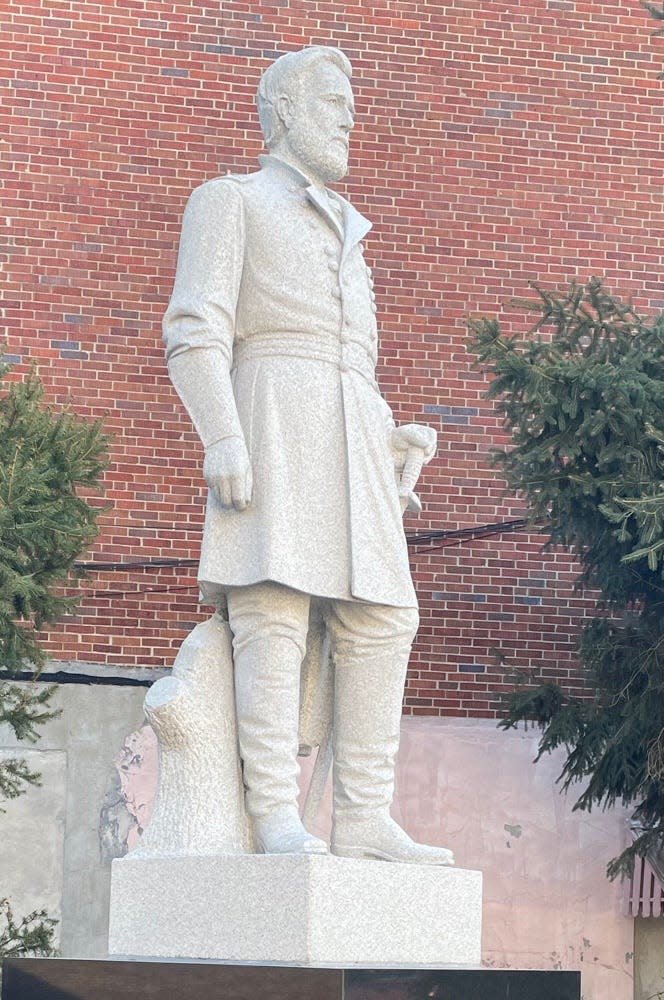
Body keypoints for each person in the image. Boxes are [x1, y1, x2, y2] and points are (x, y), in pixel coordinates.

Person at [163, 45, 453, 866]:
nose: (350, 117)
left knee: (385, 616)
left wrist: (382, 432)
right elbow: (194, 331)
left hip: (353, 432)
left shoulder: (349, 229)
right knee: (274, 608)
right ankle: (276, 816)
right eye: (333, 102)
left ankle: (362, 816)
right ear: (284, 111)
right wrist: (221, 432)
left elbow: (346, 355)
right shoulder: (231, 201)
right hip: (269, 416)